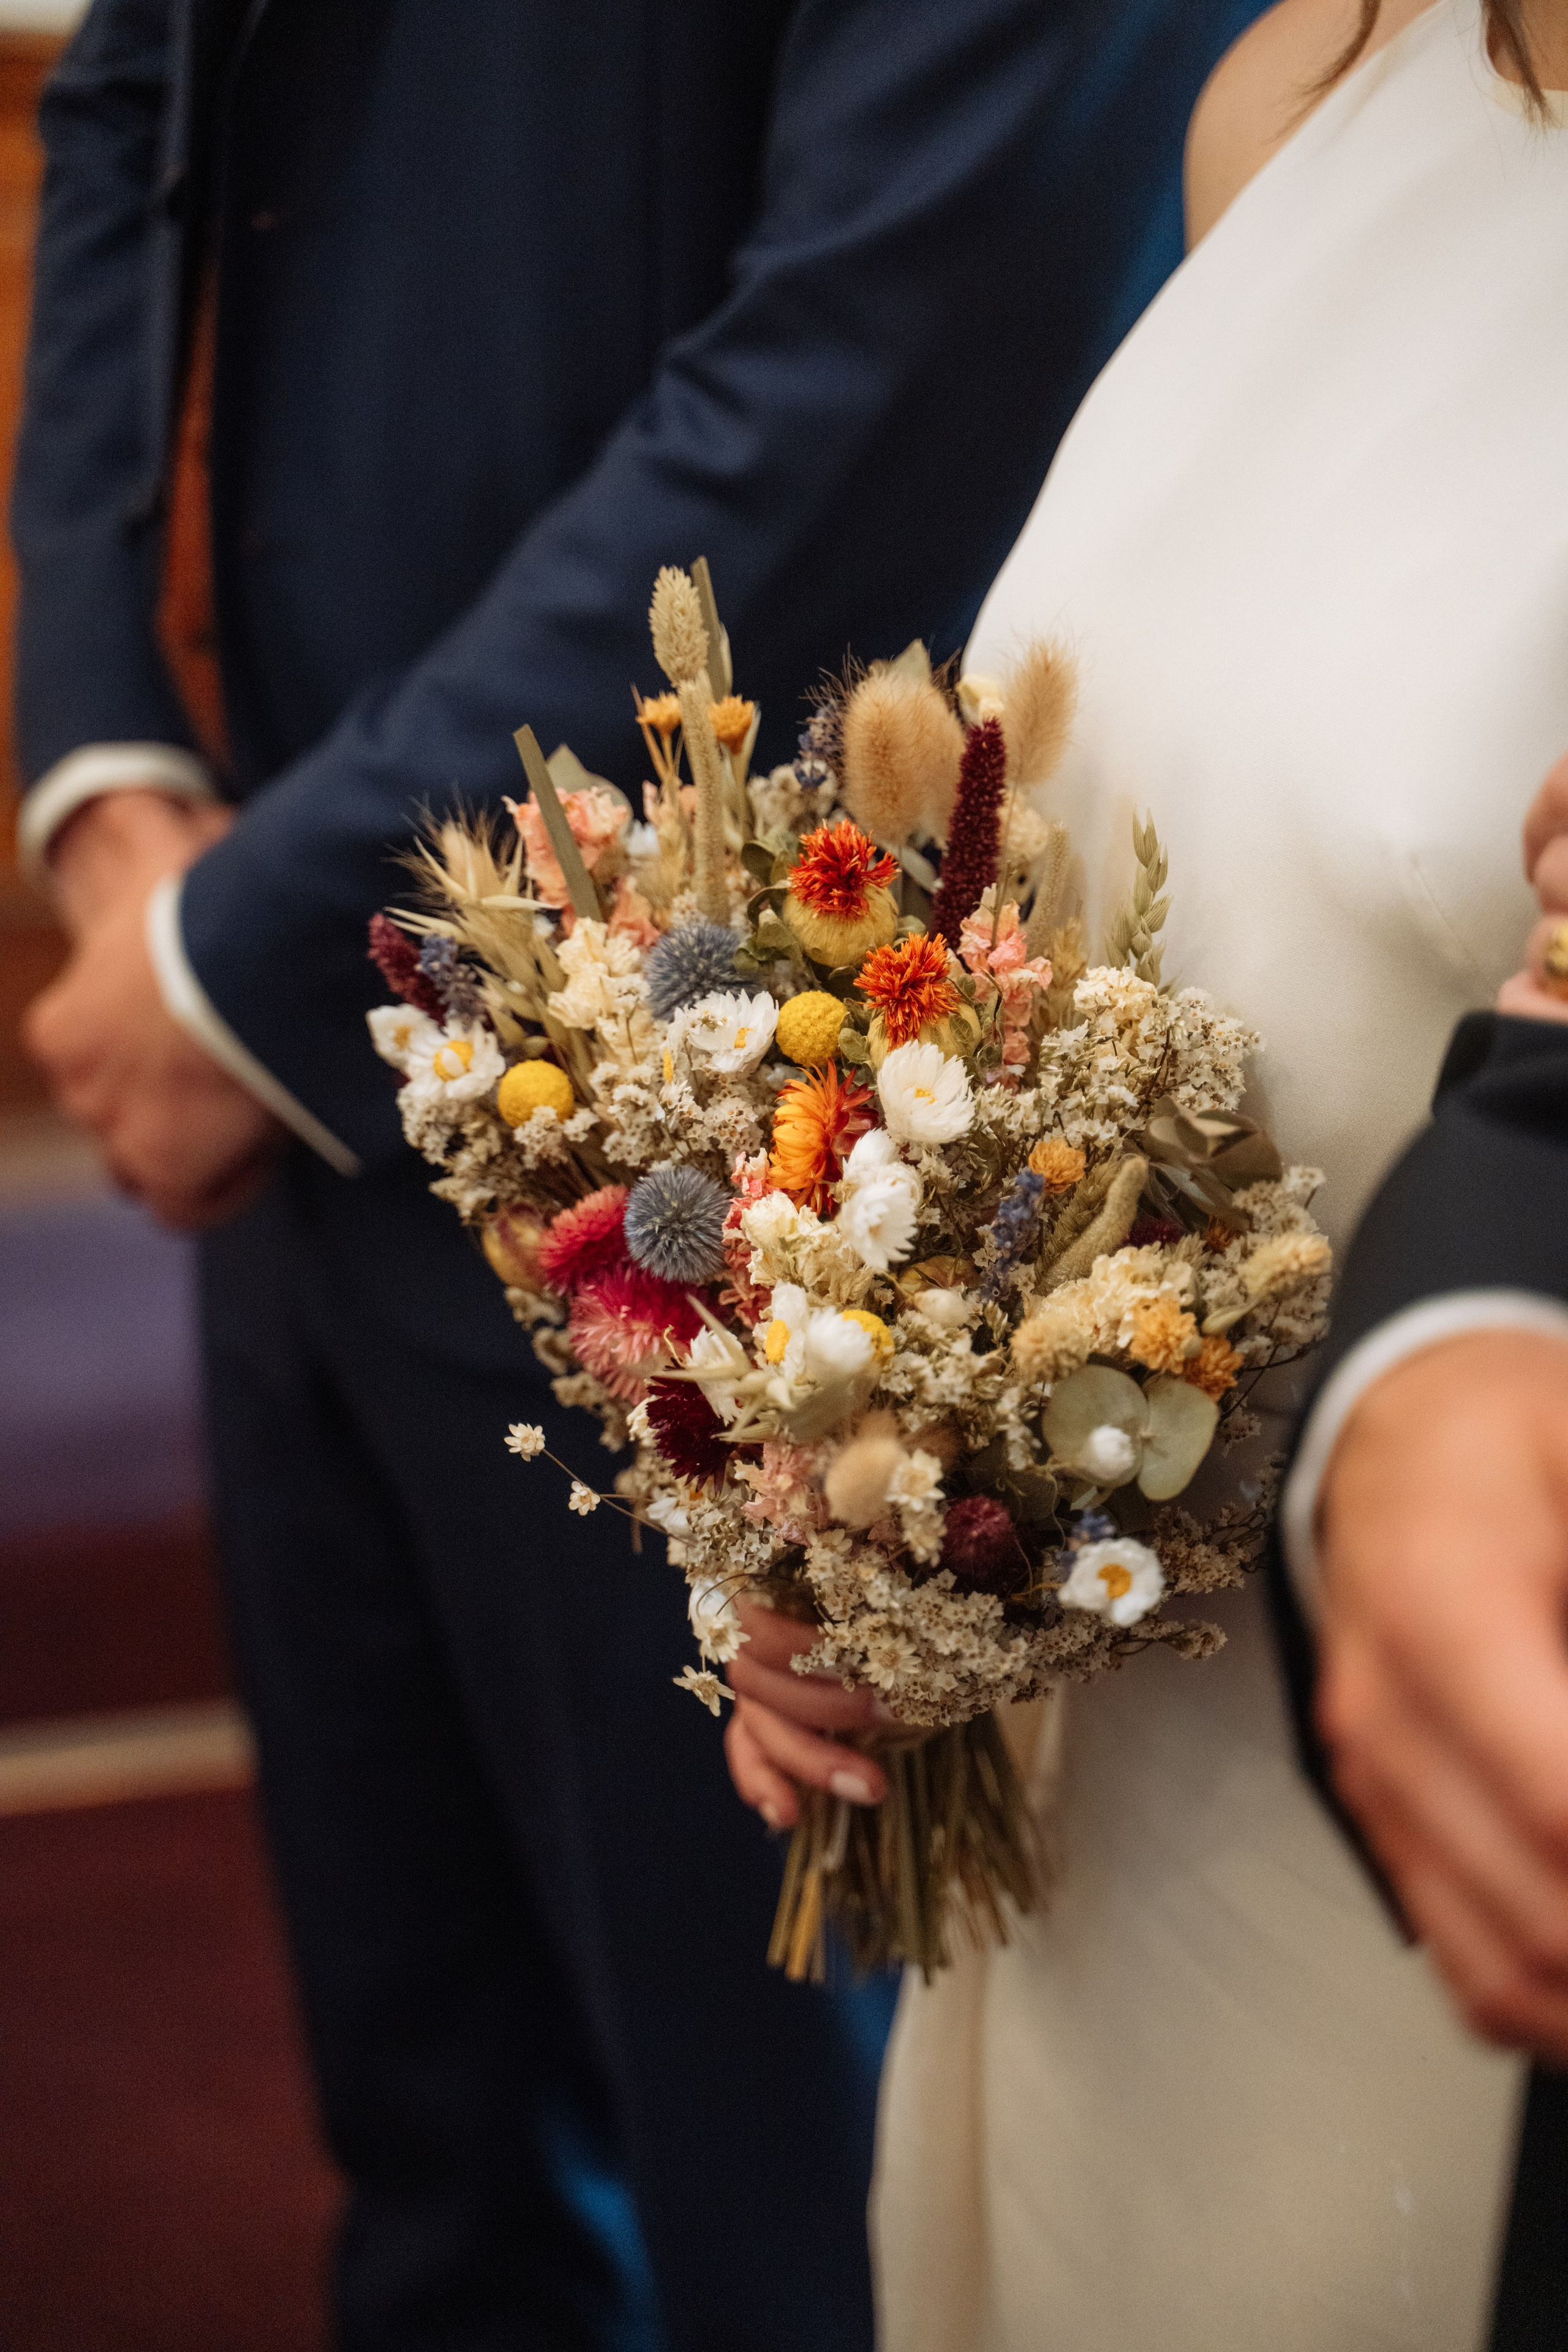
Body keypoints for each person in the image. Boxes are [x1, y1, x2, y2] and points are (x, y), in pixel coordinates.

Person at [12, 3, 1270, 2345]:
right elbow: (130, 91)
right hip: (271, 968)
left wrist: (245, 954)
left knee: (781, 2189)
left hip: (762, 1068)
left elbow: (893, 335)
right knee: (437, 2151)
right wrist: (104, 759)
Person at [724, 1, 1568, 2342]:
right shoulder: (1304, 90)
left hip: (1443, 1815)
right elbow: (1091, 934)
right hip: (1092, 1786)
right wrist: (855, 1490)